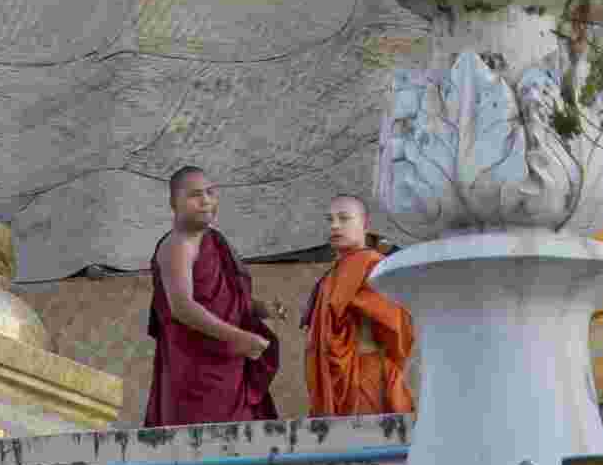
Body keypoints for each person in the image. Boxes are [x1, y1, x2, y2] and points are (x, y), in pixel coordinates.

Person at [145, 167, 280, 426]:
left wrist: (261, 308)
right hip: (195, 373)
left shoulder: (215, 242)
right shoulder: (178, 245)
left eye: (210, 192)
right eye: (195, 195)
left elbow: (225, 301)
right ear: (174, 203)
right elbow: (182, 306)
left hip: (230, 367)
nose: (206, 200)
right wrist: (239, 337)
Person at [302, 193, 415, 418]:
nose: (335, 225)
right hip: (332, 377)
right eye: (330, 219)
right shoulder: (333, 274)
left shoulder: (375, 266)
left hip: (365, 375)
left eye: (344, 218)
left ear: (365, 224)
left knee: (365, 446)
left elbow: (398, 327)